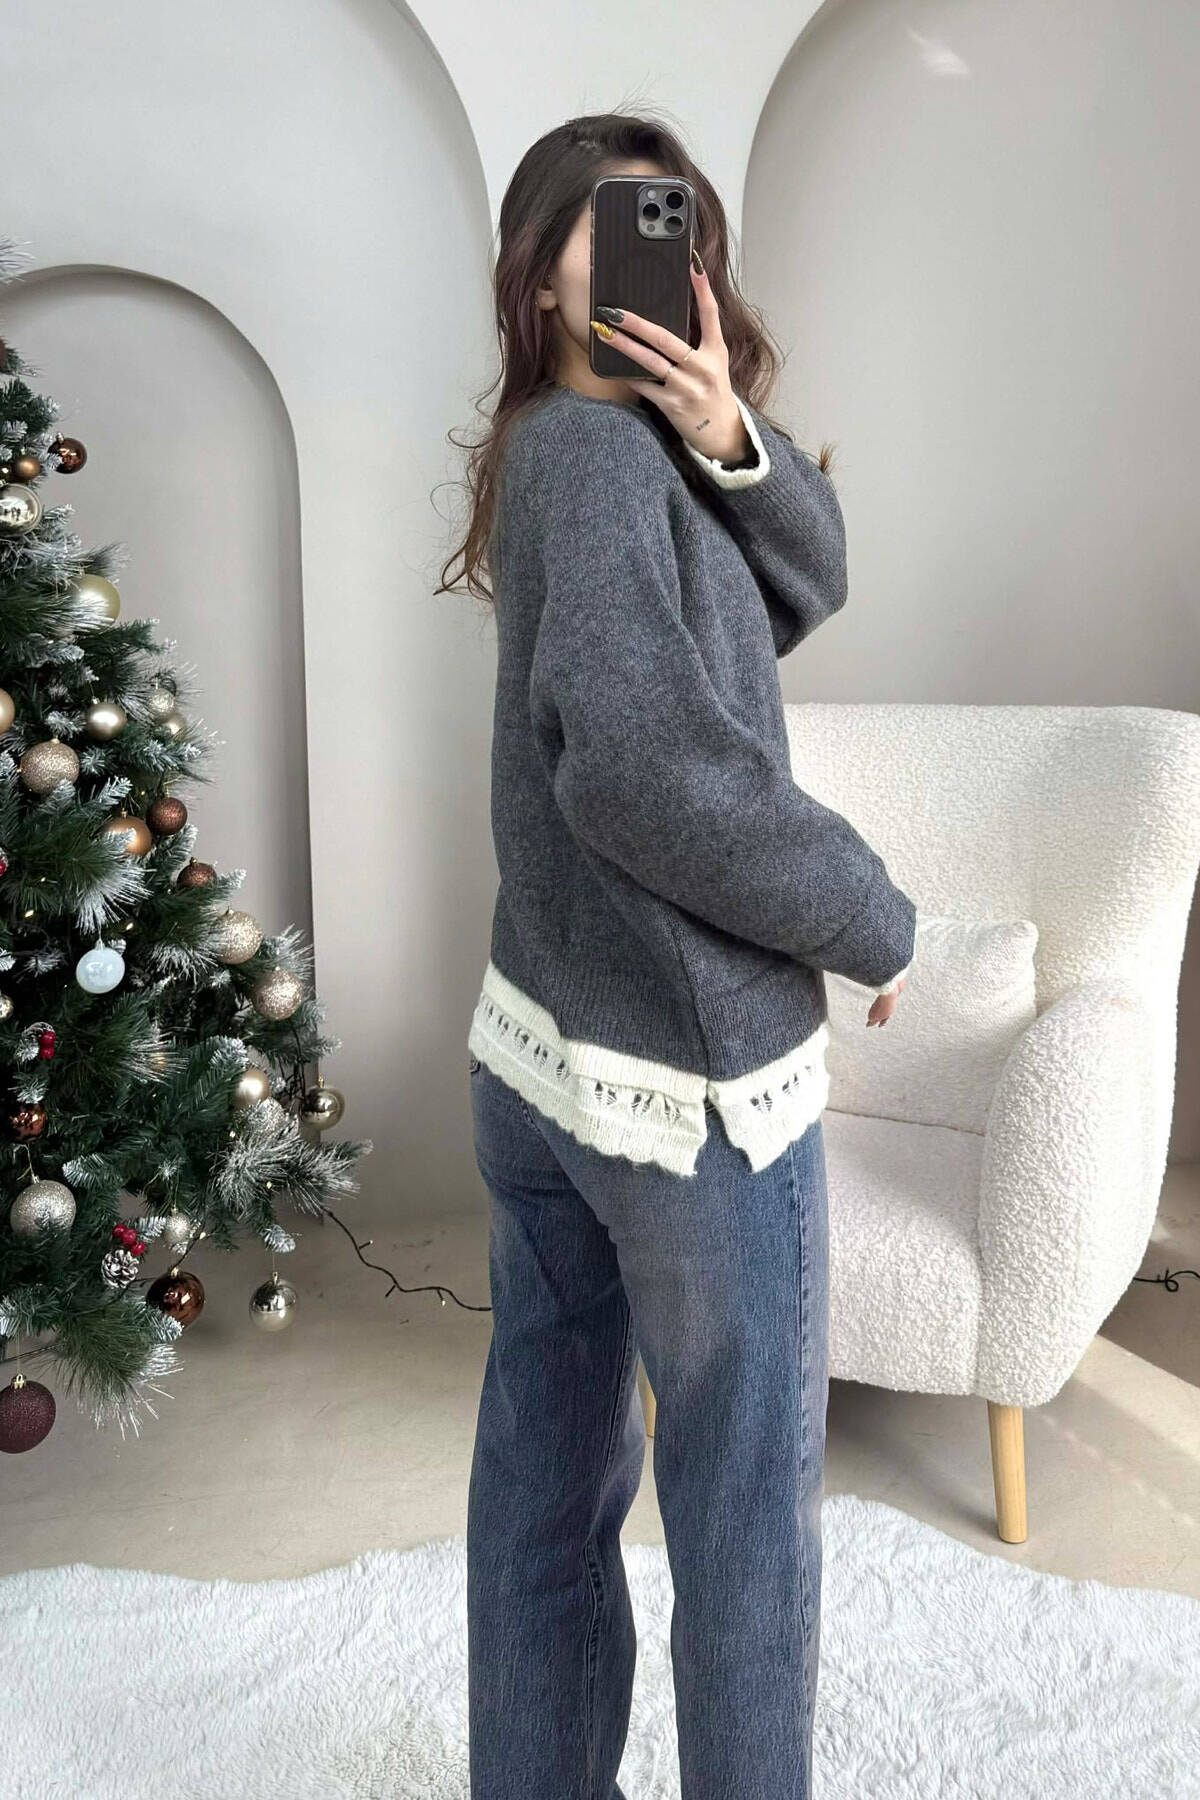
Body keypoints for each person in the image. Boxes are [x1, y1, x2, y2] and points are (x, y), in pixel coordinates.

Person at [440, 110, 914, 1800]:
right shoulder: (592, 461)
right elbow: (644, 774)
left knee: (547, 1484)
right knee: (743, 1519)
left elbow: (810, 585)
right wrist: (868, 913)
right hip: (687, 1092)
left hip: (548, 1053)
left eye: (679, 223)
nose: (665, 250)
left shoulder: (600, 445)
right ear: (537, 273)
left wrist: (729, 431)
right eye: (615, 223)